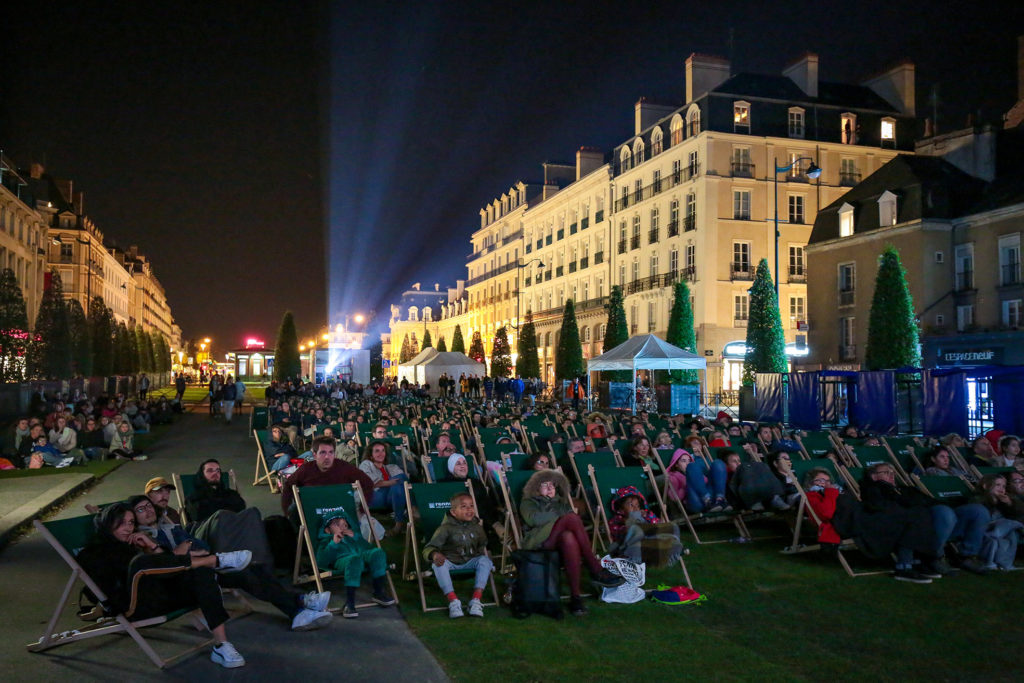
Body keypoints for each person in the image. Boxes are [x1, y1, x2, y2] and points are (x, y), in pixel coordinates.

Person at [75, 503, 248, 668]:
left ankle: (221, 645)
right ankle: (216, 560)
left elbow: (165, 568)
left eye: (131, 523)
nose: (128, 528)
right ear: (107, 524)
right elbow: (109, 590)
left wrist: (151, 546)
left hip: (162, 597)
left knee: (201, 572)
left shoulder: (132, 546)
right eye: (121, 523)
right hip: (134, 606)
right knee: (141, 562)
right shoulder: (90, 554)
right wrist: (142, 559)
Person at [128, 495, 333, 631]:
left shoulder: (171, 528)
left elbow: (202, 547)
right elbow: (168, 561)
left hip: (205, 566)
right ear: (134, 519)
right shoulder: (143, 539)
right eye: (140, 509)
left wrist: (186, 547)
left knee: (253, 567)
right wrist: (182, 551)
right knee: (244, 574)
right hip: (189, 580)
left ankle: (298, 607)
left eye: (148, 506)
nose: (148, 510)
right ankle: (298, 605)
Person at [519, 469, 623, 616]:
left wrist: (561, 516)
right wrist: (561, 517)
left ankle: (576, 598)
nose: (550, 488)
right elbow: (534, 520)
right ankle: (594, 567)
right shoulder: (528, 502)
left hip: (556, 544)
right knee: (571, 518)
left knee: (569, 538)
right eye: (544, 485)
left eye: (552, 485)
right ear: (536, 488)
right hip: (538, 542)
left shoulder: (561, 503)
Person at [422, 491, 493, 619]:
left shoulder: (477, 527)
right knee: (438, 565)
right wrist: (434, 555)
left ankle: (476, 600)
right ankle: (453, 601)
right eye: (464, 506)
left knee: (485, 561)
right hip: (450, 562)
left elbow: (483, 544)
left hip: (470, 560)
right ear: (453, 512)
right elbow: (429, 547)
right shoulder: (445, 528)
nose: (469, 509)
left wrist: (486, 555)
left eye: (471, 506)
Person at [316, 509, 395, 618]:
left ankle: (379, 592)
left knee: (378, 553)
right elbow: (321, 561)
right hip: (342, 559)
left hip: (360, 554)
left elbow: (369, 548)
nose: (342, 526)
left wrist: (356, 538)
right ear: (327, 530)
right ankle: (350, 603)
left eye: (344, 524)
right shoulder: (327, 541)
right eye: (336, 524)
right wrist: (333, 544)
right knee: (354, 559)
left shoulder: (353, 536)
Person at [280, 436, 374, 518]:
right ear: (315, 455)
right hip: (311, 510)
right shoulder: (306, 469)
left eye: (331, 452)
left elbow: (368, 483)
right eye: (323, 452)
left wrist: (361, 510)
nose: (327, 457)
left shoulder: (344, 467)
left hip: (339, 510)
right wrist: (286, 511)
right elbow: (288, 486)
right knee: (294, 511)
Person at [607, 485, 681, 565]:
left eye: (638, 506)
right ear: (621, 509)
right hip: (632, 547)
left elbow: (657, 524)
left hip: (650, 541)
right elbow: (620, 534)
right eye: (631, 505)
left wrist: (647, 516)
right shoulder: (616, 520)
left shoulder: (645, 515)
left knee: (673, 527)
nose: (636, 509)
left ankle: (671, 550)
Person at [358, 440, 408, 536]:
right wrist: (391, 482)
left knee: (401, 481)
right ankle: (410, 512)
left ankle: (398, 524)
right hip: (373, 497)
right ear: (370, 455)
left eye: (383, 450)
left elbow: (402, 481)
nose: (381, 453)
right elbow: (370, 483)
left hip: (391, 497)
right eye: (377, 451)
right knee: (398, 483)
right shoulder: (366, 464)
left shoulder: (391, 467)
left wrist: (394, 483)